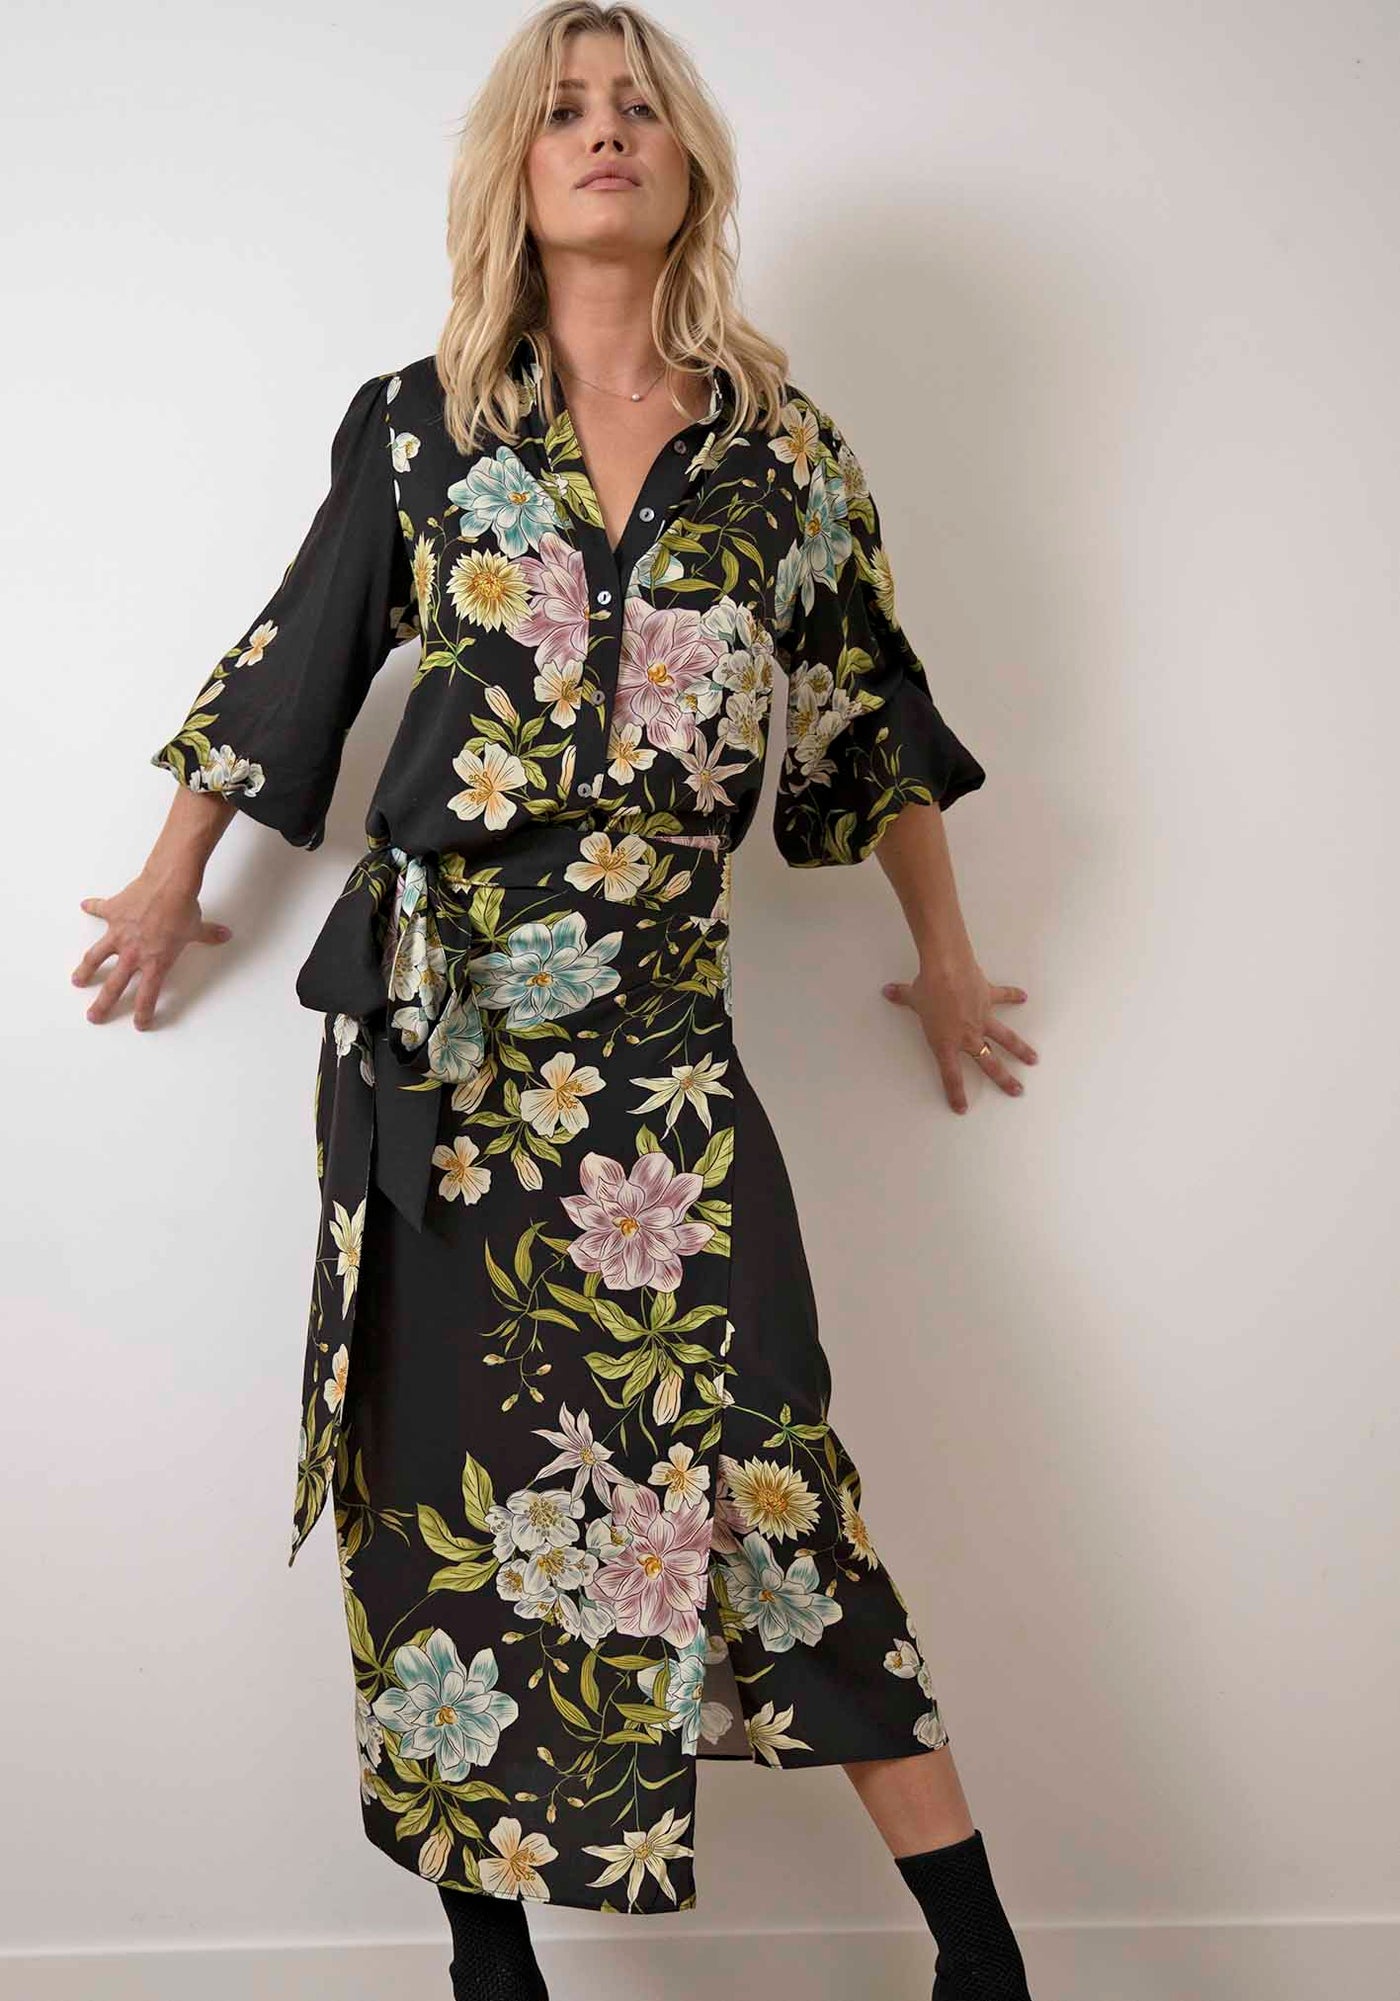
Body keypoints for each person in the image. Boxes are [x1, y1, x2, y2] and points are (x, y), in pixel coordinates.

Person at [73, 5, 1041, 1995]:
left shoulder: (783, 454)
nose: (608, 134)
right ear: (515, 166)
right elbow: (294, 663)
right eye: (568, 110)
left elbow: (865, 721)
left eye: (640, 108)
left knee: (768, 1462)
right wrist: (174, 880)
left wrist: (944, 949)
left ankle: (980, 1957)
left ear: (688, 163)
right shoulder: (418, 426)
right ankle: (488, 1963)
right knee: (444, 1496)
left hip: (664, 1059)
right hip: (447, 1052)